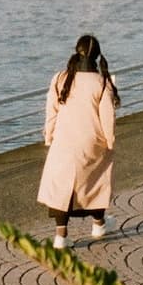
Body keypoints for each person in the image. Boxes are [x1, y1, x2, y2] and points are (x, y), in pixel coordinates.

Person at [38, 33, 120, 249]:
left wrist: (49, 136)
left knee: (61, 188)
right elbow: (107, 118)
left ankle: (61, 236)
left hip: (63, 141)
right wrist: (110, 142)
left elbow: (51, 111)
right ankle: (99, 224)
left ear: (77, 51)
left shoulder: (60, 78)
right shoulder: (102, 83)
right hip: (92, 142)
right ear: (96, 56)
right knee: (95, 181)